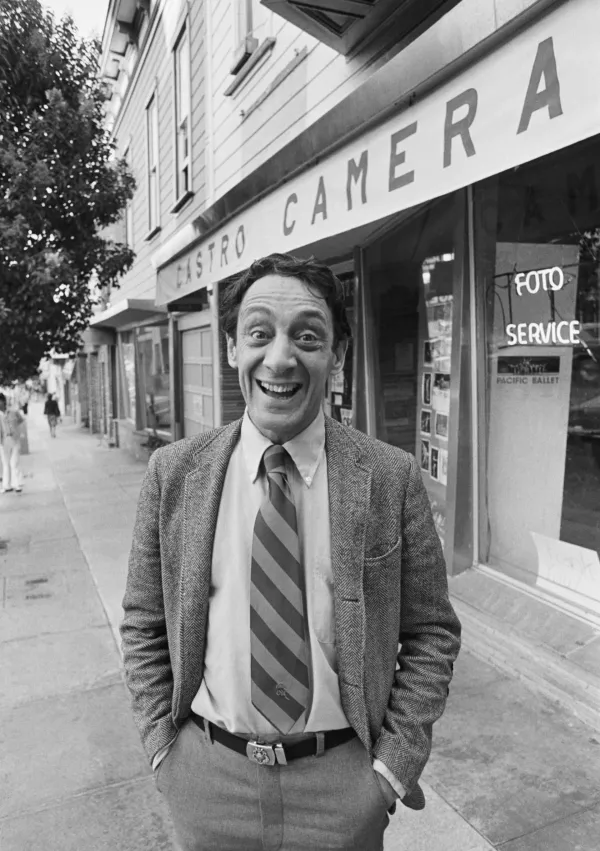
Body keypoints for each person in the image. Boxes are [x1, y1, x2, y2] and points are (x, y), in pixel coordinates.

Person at [121, 253, 461, 851]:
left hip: (343, 786)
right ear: (232, 348)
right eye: (259, 333)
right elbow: (145, 624)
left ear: (338, 355)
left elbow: (432, 630)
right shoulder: (173, 475)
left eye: (307, 336)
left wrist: (389, 770)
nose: (280, 358)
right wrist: (163, 751)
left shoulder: (389, 477)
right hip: (207, 780)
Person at [1, 395, 24, 493]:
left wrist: (19, 434)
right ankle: (7, 485)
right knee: (5, 463)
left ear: (3, 401)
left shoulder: (13, 412)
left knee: (14, 462)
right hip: (3, 441)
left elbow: (21, 422)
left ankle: (17, 484)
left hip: (14, 439)